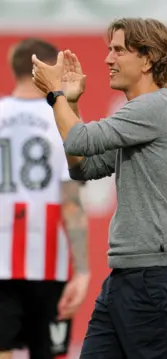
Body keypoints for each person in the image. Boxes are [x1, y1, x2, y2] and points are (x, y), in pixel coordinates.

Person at [31, 18, 167, 358]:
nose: (108, 59)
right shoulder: (141, 112)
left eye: (119, 50)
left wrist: (55, 94)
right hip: (127, 276)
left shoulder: (153, 107)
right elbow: (85, 167)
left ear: (148, 59)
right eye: (109, 50)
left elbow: (80, 139)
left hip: (153, 277)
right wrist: (71, 104)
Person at [0, 38, 89, 359]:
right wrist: (82, 269)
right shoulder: (60, 121)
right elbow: (71, 201)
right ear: (49, 70)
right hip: (50, 262)